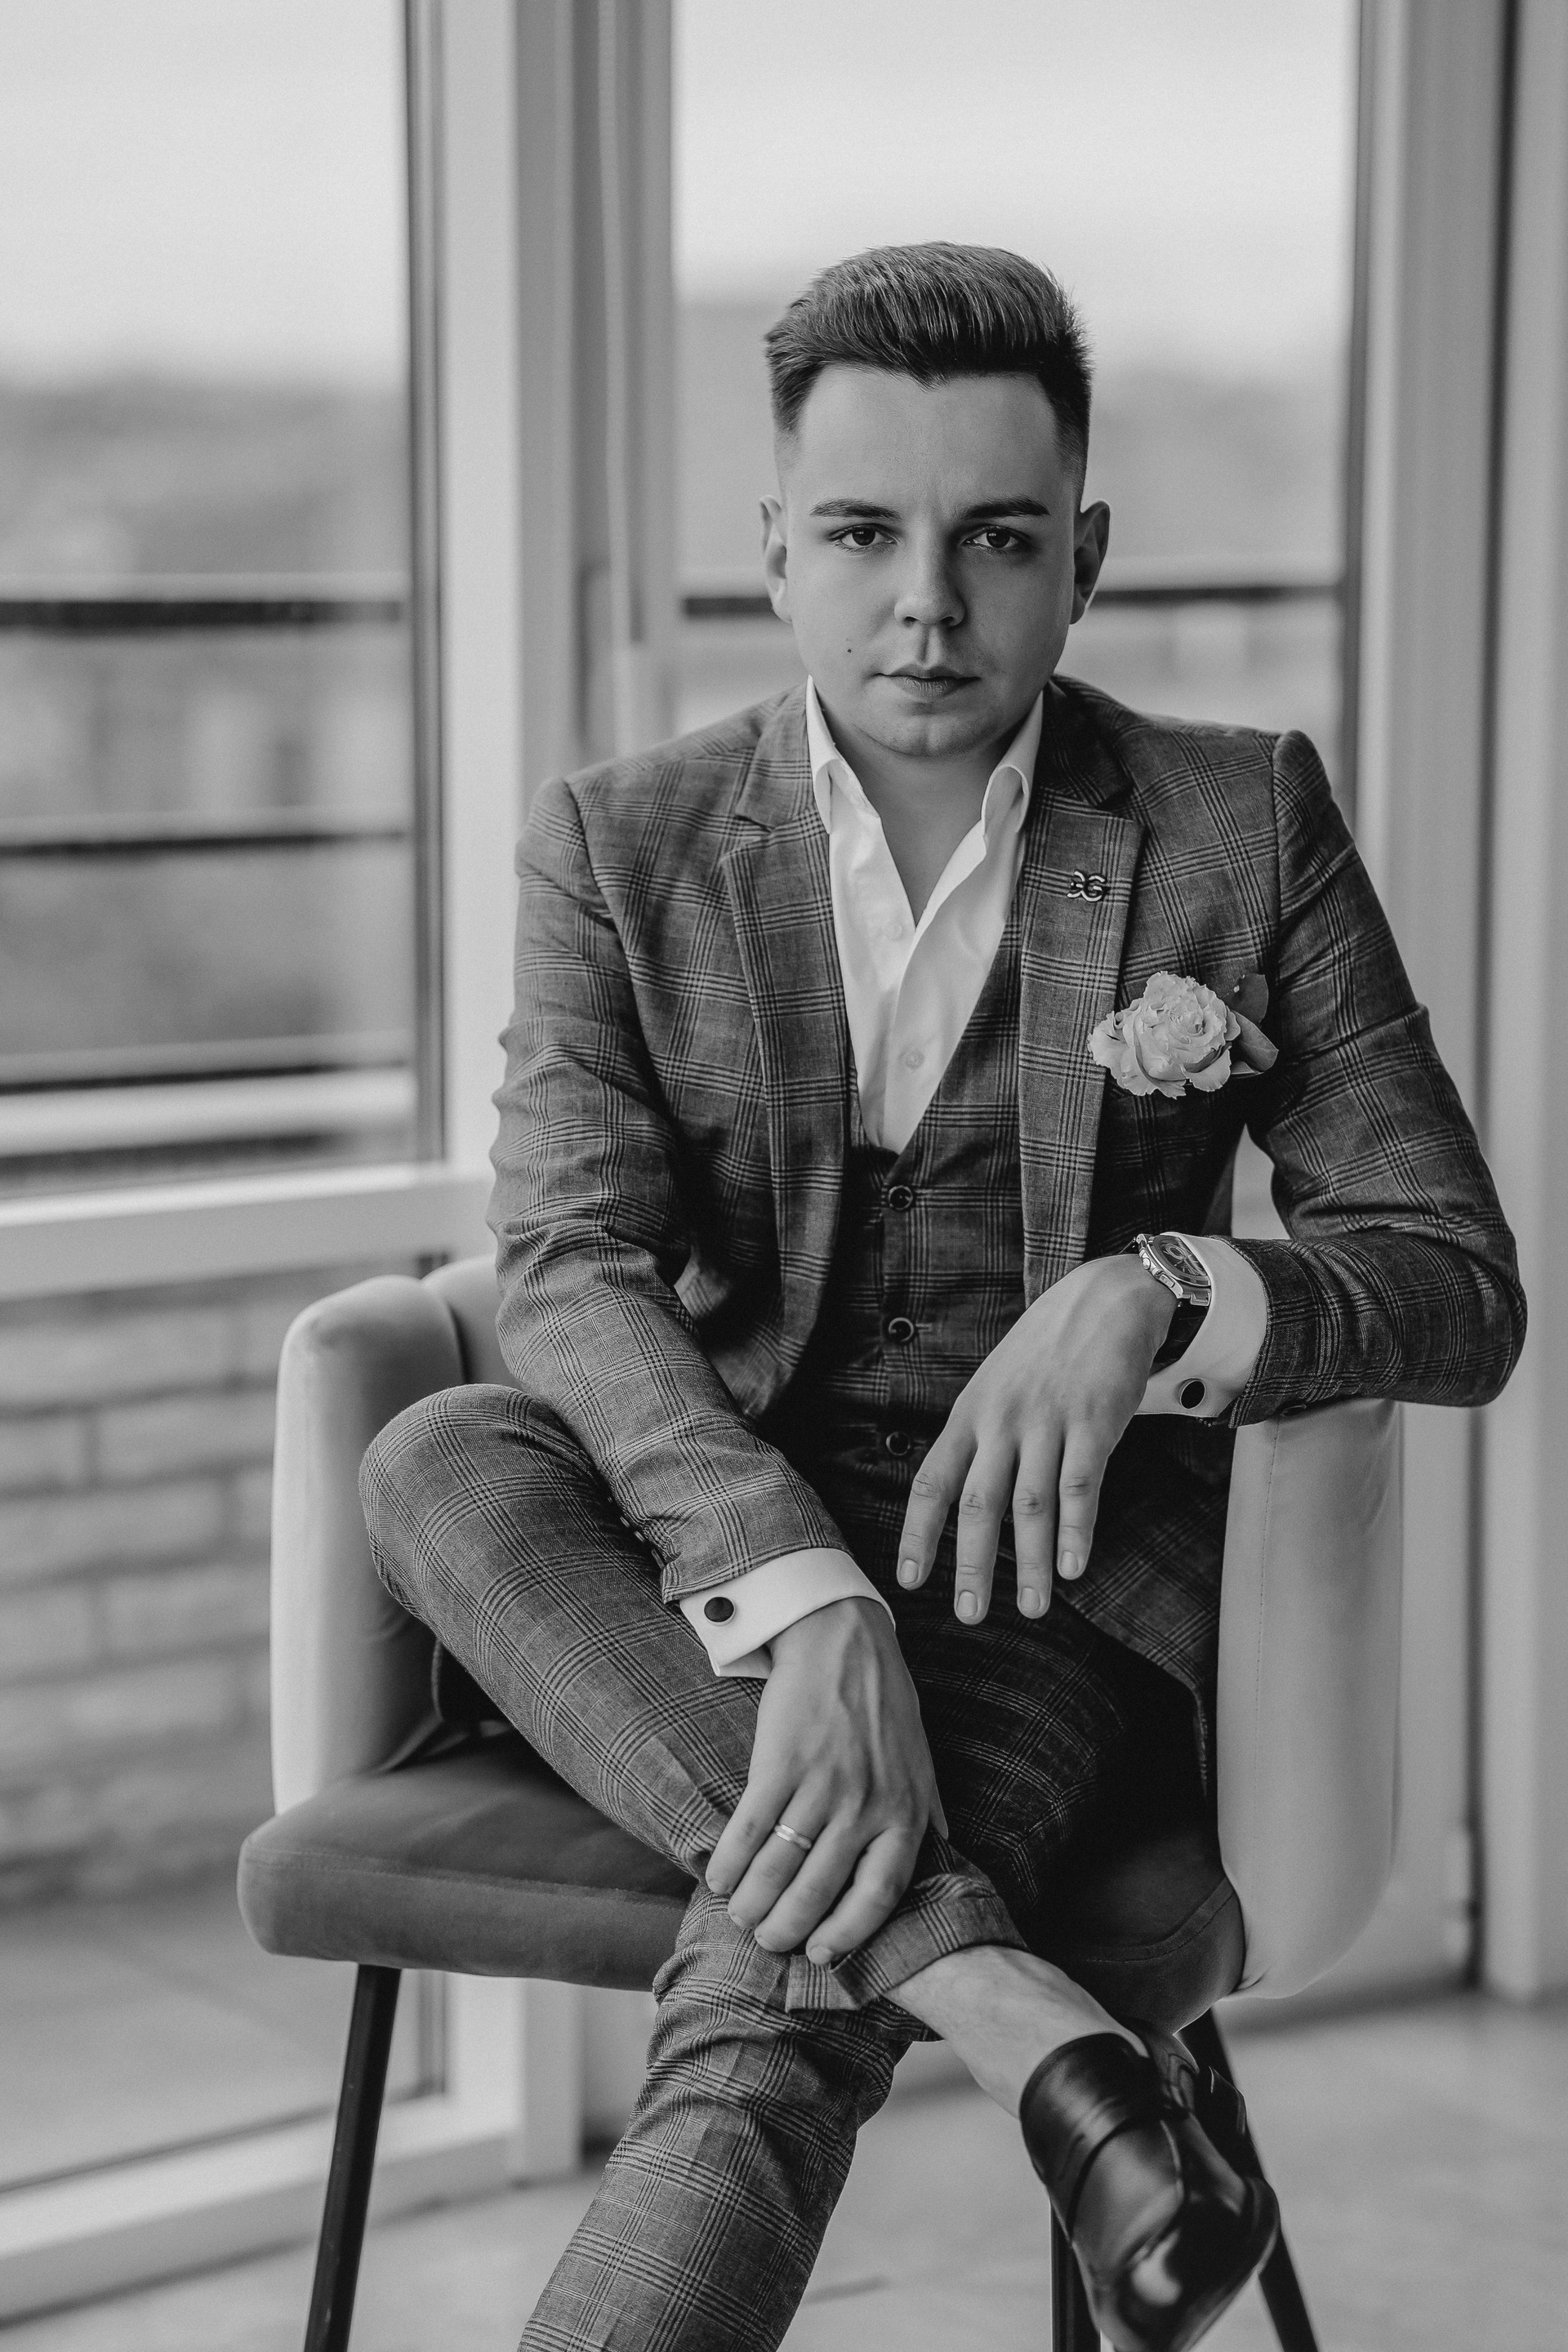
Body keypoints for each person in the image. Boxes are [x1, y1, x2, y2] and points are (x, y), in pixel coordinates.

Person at [361, 243, 1523, 2352]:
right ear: (774, 551)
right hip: (727, 1555)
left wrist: (1160, 1290)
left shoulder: (1238, 821)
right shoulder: (619, 846)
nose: (926, 606)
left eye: (995, 539)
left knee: (766, 2008)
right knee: (441, 1452)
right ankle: (1026, 2021)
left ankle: (992, 2013)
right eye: (862, 537)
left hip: (1051, 1587)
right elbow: (568, 1264)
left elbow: (1455, 1281)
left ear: (1084, 556)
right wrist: (803, 1602)